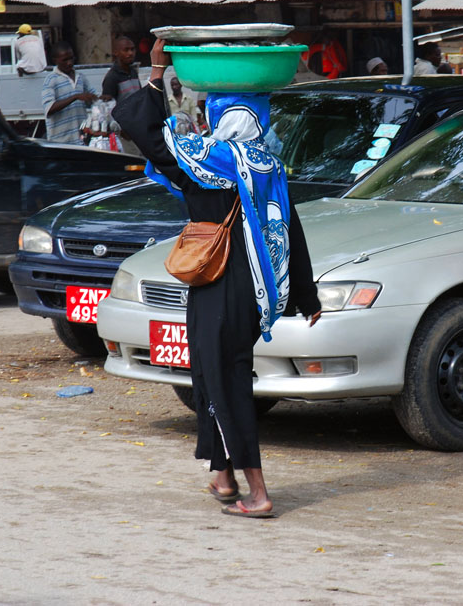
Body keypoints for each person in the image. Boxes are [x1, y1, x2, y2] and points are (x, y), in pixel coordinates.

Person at [112, 39, 322, 518]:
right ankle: (223, 477)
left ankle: (260, 493)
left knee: (224, 384)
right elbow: (291, 230)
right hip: (247, 292)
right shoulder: (268, 167)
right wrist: (306, 296)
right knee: (210, 376)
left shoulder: (206, 162)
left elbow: (142, 129)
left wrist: (157, 72)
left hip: (220, 287)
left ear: (222, 119)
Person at [41, 42, 97, 145]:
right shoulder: (51, 80)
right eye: (65, 60)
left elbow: (94, 98)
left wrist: (102, 98)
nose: (69, 63)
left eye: (71, 58)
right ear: (55, 60)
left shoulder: (81, 77)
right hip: (61, 143)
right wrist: (75, 97)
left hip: (81, 141)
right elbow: (49, 109)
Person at [100, 36, 142, 103]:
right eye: (126, 50)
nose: (130, 53)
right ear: (116, 52)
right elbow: (108, 105)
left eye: (132, 49)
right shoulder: (112, 77)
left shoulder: (133, 72)